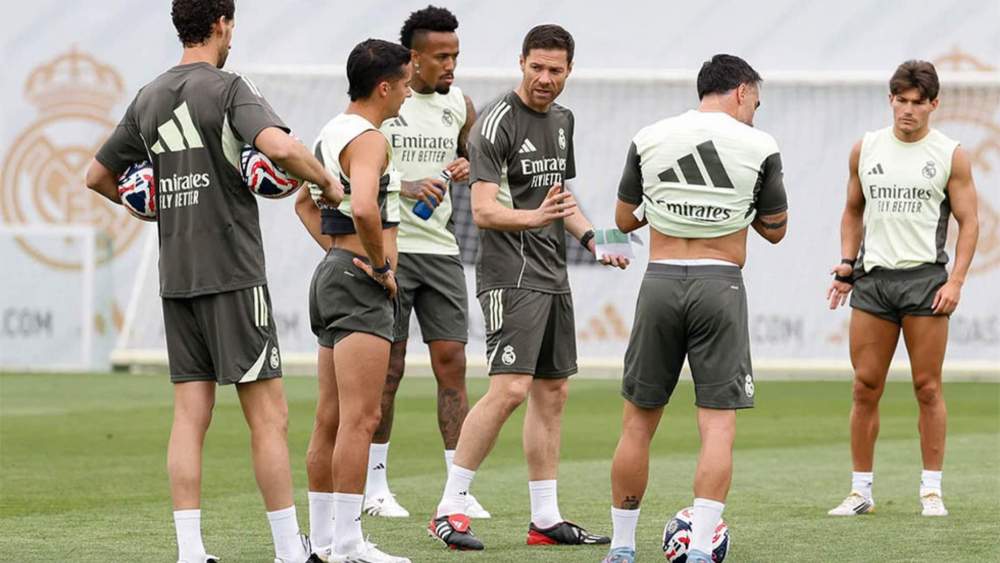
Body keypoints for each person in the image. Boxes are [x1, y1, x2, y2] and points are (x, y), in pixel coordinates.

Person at [84, 1, 342, 562]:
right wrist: (326, 181)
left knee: (188, 417)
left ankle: (190, 551)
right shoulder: (227, 88)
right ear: (222, 24)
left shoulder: (149, 95)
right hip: (232, 274)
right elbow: (278, 148)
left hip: (176, 278)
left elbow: (97, 175)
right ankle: (288, 551)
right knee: (269, 417)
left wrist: (152, 210)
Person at [427, 24, 626, 552]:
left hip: (552, 275)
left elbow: (560, 199)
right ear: (520, 63)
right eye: (535, 67)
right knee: (510, 389)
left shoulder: (563, 120)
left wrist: (593, 239)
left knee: (552, 392)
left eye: (554, 70)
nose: (544, 78)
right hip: (509, 277)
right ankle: (450, 507)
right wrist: (537, 217)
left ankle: (544, 518)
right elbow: (485, 210)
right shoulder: (493, 123)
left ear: (569, 71)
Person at [602, 54, 789, 563]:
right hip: (720, 284)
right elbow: (776, 230)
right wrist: (736, 207)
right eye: (757, 101)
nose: (756, 110)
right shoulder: (759, 145)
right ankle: (702, 548)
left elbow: (624, 218)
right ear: (743, 91)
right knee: (718, 426)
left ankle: (621, 549)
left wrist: (673, 204)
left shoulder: (650, 135)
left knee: (637, 424)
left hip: (659, 282)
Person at [826, 60, 979, 518]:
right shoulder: (865, 149)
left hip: (925, 283)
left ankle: (931, 490)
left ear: (933, 105)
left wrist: (956, 281)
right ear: (890, 99)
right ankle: (860, 492)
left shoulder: (950, 154)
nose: (908, 111)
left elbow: (970, 222)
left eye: (917, 103)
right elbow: (852, 211)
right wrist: (846, 265)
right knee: (864, 386)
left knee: (927, 387)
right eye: (901, 100)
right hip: (874, 283)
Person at [359, 5, 489, 520]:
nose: (451, 66)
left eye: (455, 55)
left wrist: (465, 164)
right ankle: (374, 486)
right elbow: (354, 170)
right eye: (441, 57)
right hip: (390, 248)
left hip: (442, 251)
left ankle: (456, 489)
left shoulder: (460, 104)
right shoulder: (383, 102)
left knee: (452, 365)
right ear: (413, 60)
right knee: (387, 370)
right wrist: (405, 185)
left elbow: (476, 157)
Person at [296, 38, 413, 563]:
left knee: (329, 417)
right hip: (362, 282)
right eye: (407, 84)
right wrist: (381, 268)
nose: (410, 94)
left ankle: (322, 542)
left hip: (333, 275)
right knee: (361, 419)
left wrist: (338, 256)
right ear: (384, 87)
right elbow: (365, 207)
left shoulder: (330, 131)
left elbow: (304, 205)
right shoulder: (368, 139)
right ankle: (346, 544)